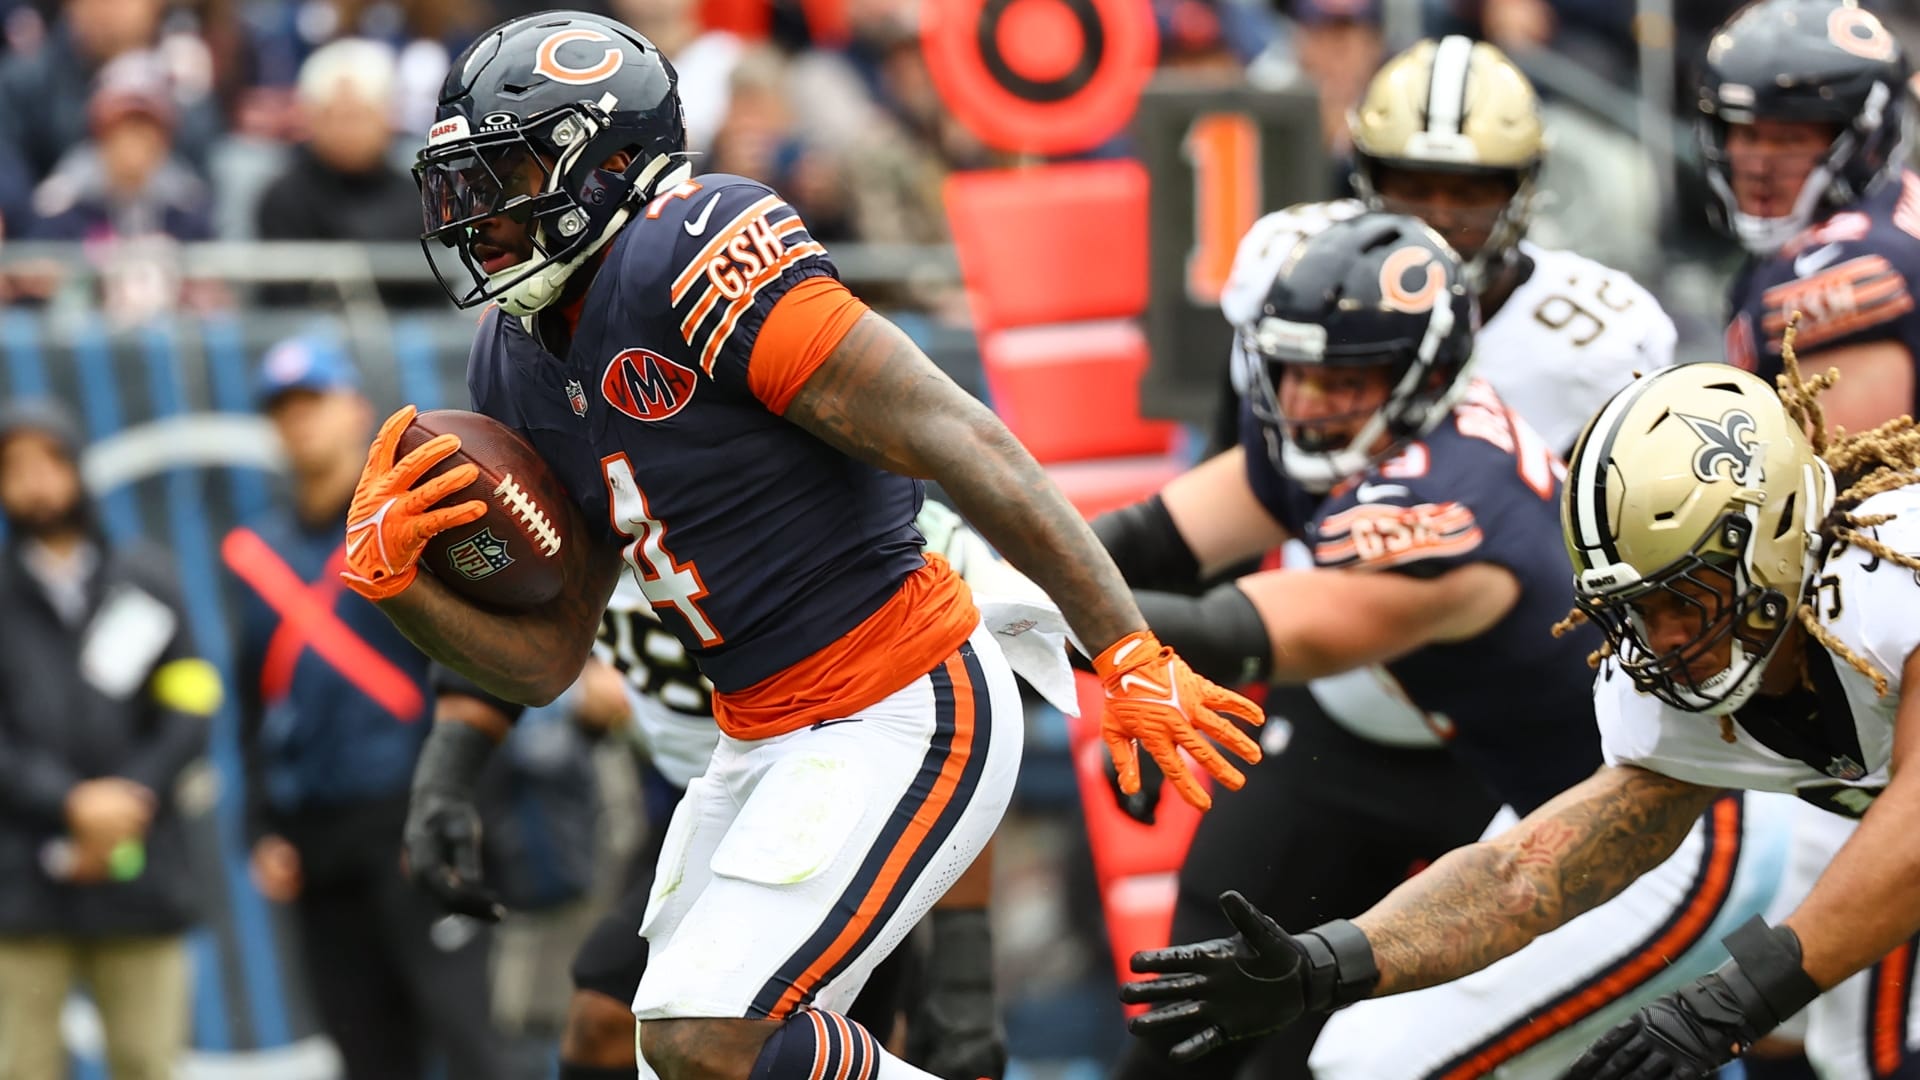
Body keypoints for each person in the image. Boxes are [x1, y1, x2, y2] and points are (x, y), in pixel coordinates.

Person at [346, 12, 1262, 1080]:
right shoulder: (511, 359)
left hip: (901, 699)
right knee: (671, 1051)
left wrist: (1129, 651)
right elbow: (549, 659)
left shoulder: (693, 250)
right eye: (464, 181)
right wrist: (398, 585)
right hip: (757, 737)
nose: (477, 215)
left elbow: (960, 436)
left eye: (504, 175)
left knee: (709, 1037)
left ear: (605, 163)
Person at [1100, 209, 1786, 1080]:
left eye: (1344, 379)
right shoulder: (1357, 433)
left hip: (1665, 824)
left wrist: (1007, 612)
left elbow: (1254, 630)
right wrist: (993, 558)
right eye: (1294, 371)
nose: (1309, 402)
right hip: (1557, 812)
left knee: (1371, 1064)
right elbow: (1149, 539)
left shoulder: (1453, 501)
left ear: (1423, 376)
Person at [430, 500, 1019, 1080]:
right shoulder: (573, 479)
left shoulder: (831, 496)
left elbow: (947, 714)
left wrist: (965, 968)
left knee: (723, 1037)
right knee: (613, 1021)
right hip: (709, 802)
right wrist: (442, 782)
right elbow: (505, 641)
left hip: (844, 799)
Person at [223, 336, 506, 1080]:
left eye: (312, 402)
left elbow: (476, 670)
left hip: (414, 821)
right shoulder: (257, 552)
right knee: (366, 1055)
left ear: (355, 409)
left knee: (470, 1040)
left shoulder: (414, 523)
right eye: (283, 410)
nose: (298, 423)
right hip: (318, 842)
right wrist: (261, 825)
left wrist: (458, 803)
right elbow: (254, 705)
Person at [0, 399, 215, 1080]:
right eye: (14, 467)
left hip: (142, 877)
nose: (35, 482)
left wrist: (131, 798)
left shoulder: (147, 577)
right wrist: (70, 804)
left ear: (77, 469)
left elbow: (192, 707)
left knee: (148, 1063)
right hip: (19, 888)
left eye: (49, 461)